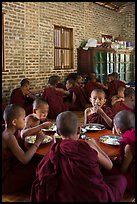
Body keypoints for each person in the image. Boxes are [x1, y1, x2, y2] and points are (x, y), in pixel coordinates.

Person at [30, 111, 127, 202]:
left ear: (58, 132)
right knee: (121, 180)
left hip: (63, 196)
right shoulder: (88, 146)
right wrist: (95, 145)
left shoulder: (54, 150)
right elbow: (109, 165)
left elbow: (44, 174)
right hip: (92, 196)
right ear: (79, 129)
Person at [2, 104, 46, 194]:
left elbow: (22, 137)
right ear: (14, 122)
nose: (25, 121)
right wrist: (38, 141)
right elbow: (25, 159)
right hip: (5, 181)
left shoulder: (12, 131)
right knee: (40, 167)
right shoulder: (8, 136)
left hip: (13, 166)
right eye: (23, 119)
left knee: (38, 160)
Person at [103, 110, 135, 195]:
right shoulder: (132, 134)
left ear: (118, 130)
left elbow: (123, 169)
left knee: (106, 170)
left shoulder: (129, 145)